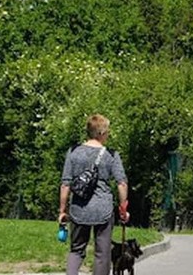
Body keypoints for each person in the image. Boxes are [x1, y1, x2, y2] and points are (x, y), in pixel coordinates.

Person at [59, 114, 129, 275]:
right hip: (103, 209)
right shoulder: (111, 155)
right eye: (108, 131)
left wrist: (62, 210)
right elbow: (121, 183)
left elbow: (65, 183)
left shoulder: (73, 152)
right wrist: (123, 208)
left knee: (76, 250)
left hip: (78, 208)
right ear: (101, 133)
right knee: (102, 254)